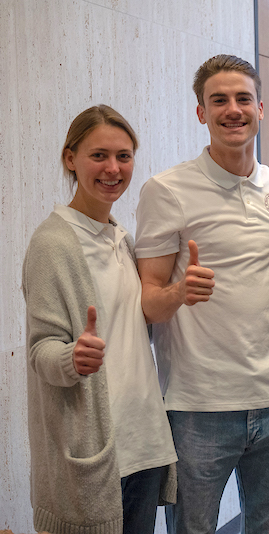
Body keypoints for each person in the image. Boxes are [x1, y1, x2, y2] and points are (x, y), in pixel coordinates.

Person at [135, 55, 269, 533]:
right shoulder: (166, 190)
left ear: (261, 108)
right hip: (196, 406)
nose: (233, 109)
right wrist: (181, 292)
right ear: (201, 113)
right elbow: (148, 300)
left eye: (243, 98)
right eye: (219, 100)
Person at [22, 105, 177, 534]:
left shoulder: (120, 239)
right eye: (99, 156)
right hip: (93, 457)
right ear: (70, 158)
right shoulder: (53, 243)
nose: (113, 168)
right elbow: (40, 350)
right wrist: (73, 358)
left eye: (124, 156)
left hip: (143, 445)